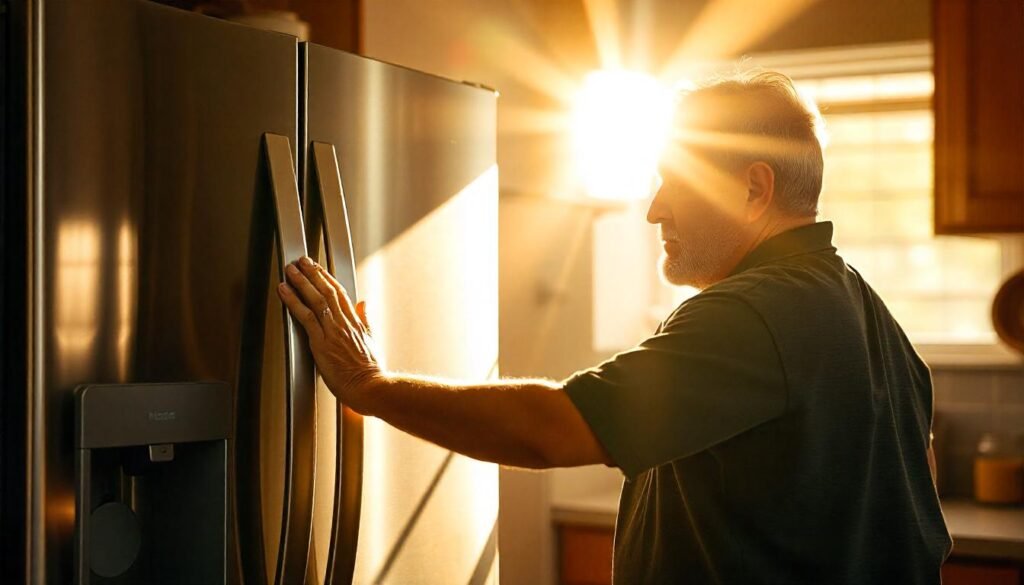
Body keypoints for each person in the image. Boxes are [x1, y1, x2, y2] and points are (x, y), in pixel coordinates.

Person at [276, 71, 952, 584]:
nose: (654, 209)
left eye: (671, 181)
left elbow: (554, 427)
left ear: (754, 189)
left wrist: (368, 384)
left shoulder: (756, 311)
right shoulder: (870, 314)